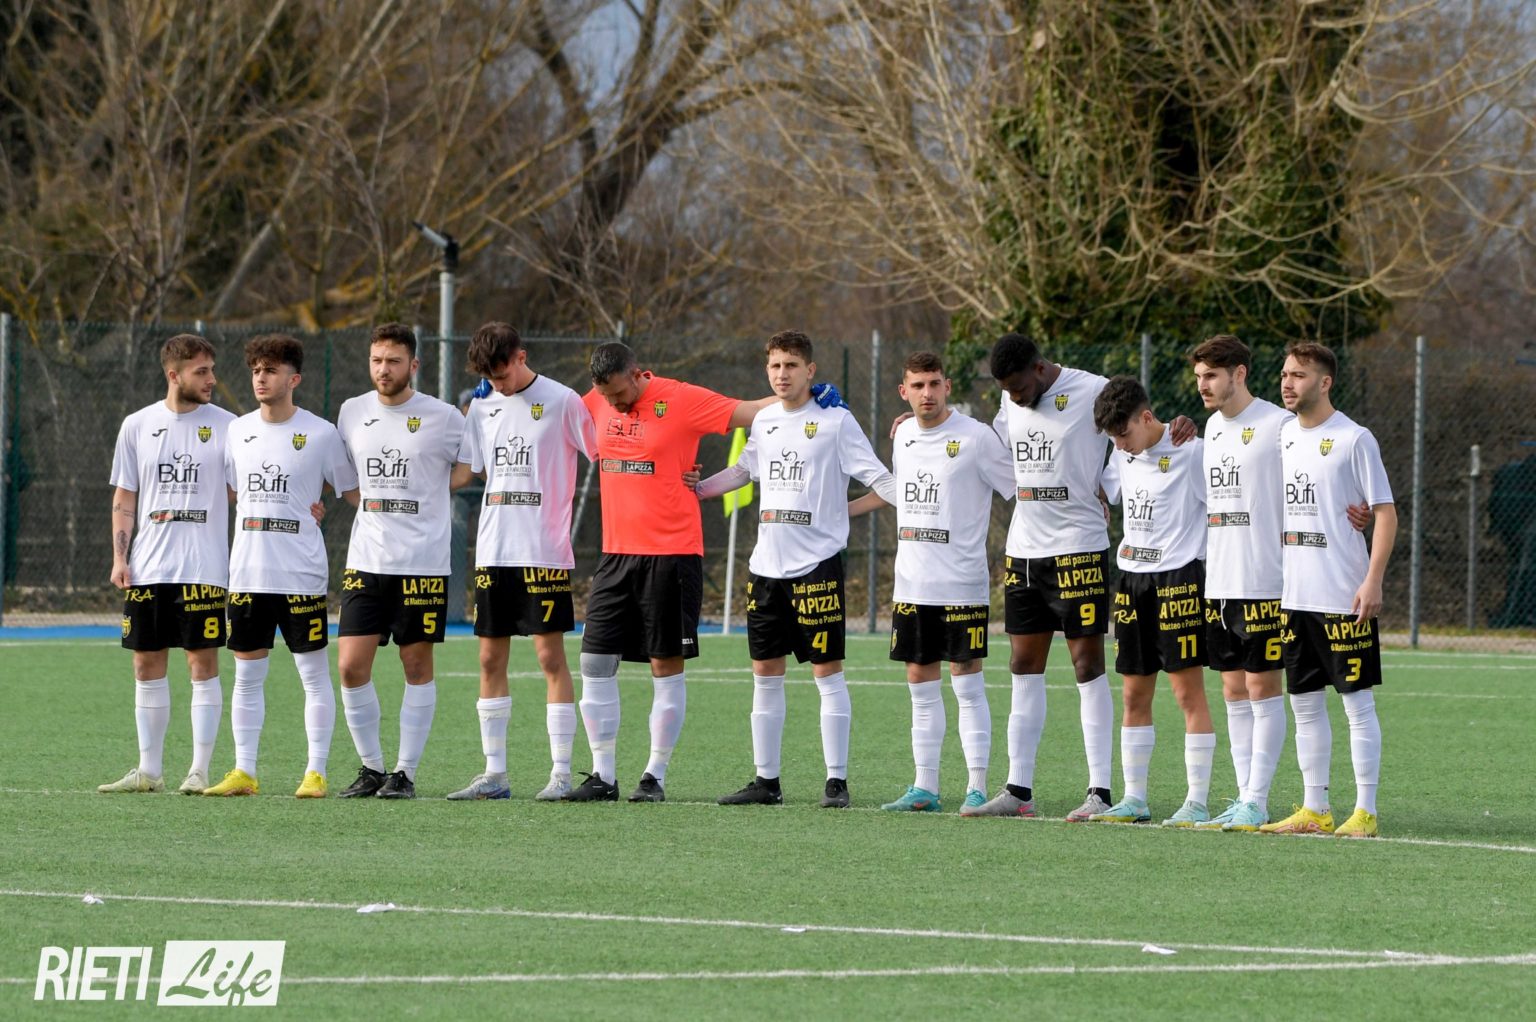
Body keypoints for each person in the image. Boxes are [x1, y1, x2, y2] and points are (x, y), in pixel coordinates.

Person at [568, 341, 840, 803]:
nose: (612, 403)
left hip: (672, 555)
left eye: (619, 394)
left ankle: (653, 776)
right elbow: (546, 409)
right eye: (605, 396)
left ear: (636, 374)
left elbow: (752, 410)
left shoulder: (681, 398)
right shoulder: (594, 400)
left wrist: (811, 396)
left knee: (664, 666)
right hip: (615, 556)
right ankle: (602, 776)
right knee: (594, 662)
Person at [970, 334, 1194, 821]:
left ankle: (1100, 791)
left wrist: (1180, 424)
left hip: (1078, 548)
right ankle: (1017, 790)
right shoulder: (1010, 403)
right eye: (1006, 391)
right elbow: (993, 450)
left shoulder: (1092, 389)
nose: (1014, 398)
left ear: (1039, 368)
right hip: (1024, 550)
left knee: (1087, 665)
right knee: (1022, 665)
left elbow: (1139, 429)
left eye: (1019, 387)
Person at [698, 331, 895, 808]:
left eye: (791, 365)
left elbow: (883, 481)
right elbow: (743, 472)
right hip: (766, 569)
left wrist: (855, 512)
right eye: (775, 366)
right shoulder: (764, 420)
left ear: (810, 370)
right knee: (765, 674)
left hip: (816, 567)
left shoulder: (836, 421)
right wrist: (697, 489)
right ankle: (766, 782)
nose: (782, 374)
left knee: (827, 673)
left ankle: (836, 782)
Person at [1187, 335, 1372, 832]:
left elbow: (1320, 469)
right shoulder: (1211, 428)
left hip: (1269, 581)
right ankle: (1243, 796)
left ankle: (1258, 799)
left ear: (1239, 374)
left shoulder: (1278, 425)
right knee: (1232, 691)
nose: (1202, 385)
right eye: (1199, 376)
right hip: (1220, 581)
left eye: (1211, 375)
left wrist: (1357, 512)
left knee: (1263, 688)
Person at [847, 351, 1015, 814]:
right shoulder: (902, 435)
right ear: (904, 391)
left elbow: (1018, 488)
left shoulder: (977, 437)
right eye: (918, 386)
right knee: (920, 684)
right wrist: (838, 511)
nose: (927, 393)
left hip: (961, 585)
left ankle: (977, 786)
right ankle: (925, 787)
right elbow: (898, 493)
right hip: (912, 585)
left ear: (947, 386)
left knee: (967, 683)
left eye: (934, 384)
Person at [446, 322, 596, 801]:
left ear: (521, 357)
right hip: (494, 550)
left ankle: (561, 773)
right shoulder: (481, 405)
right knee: (489, 658)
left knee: (550, 657)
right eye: (490, 377)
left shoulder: (563, 401)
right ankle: (495, 774)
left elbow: (602, 453)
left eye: (503, 373)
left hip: (543, 552)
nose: (499, 383)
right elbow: (470, 471)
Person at [203, 334, 357, 799]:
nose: (261, 378)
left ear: (294, 379)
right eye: (255, 370)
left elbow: (347, 488)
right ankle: (244, 771)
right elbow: (234, 490)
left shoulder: (321, 433)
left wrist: (314, 503)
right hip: (248, 572)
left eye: (270, 370)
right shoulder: (237, 431)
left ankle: (316, 772)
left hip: (300, 574)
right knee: (247, 676)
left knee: (313, 676)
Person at [1261, 342, 1396, 838]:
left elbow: (1384, 512)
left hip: (1343, 595)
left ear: (1325, 382)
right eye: (1284, 374)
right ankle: (1314, 808)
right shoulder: (1283, 435)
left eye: (1298, 375)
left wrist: (1372, 579)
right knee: (1304, 703)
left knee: (1356, 704)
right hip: (1295, 596)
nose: (1287, 382)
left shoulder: (1354, 438)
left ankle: (1365, 812)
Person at [333, 323, 466, 800]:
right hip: (366, 559)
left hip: (422, 563)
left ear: (414, 365)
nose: (383, 369)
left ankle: (404, 773)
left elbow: (468, 467)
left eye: (393, 361)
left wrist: (430, 492)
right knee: (350, 666)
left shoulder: (444, 416)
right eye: (376, 361)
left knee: (415, 664)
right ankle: (371, 767)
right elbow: (346, 480)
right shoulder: (351, 411)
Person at [99, 334, 236, 795]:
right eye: (202, 371)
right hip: (149, 567)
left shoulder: (229, 426)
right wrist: (120, 557)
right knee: (145, 664)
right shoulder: (137, 425)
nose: (211, 379)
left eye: (212, 369)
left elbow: (245, 489)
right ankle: (149, 771)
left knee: (202, 663)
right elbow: (125, 497)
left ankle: (199, 770)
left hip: (204, 566)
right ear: (174, 375)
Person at [1089, 376, 1215, 826]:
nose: (1120, 444)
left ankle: (1196, 801)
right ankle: (1134, 798)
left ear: (1146, 417)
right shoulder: (1121, 453)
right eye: (1113, 438)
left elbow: (1226, 507)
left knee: (1186, 692)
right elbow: (1104, 488)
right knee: (1133, 693)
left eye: (1123, 433)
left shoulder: (1193, 451)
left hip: (1179, 579)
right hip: (1132, 581)